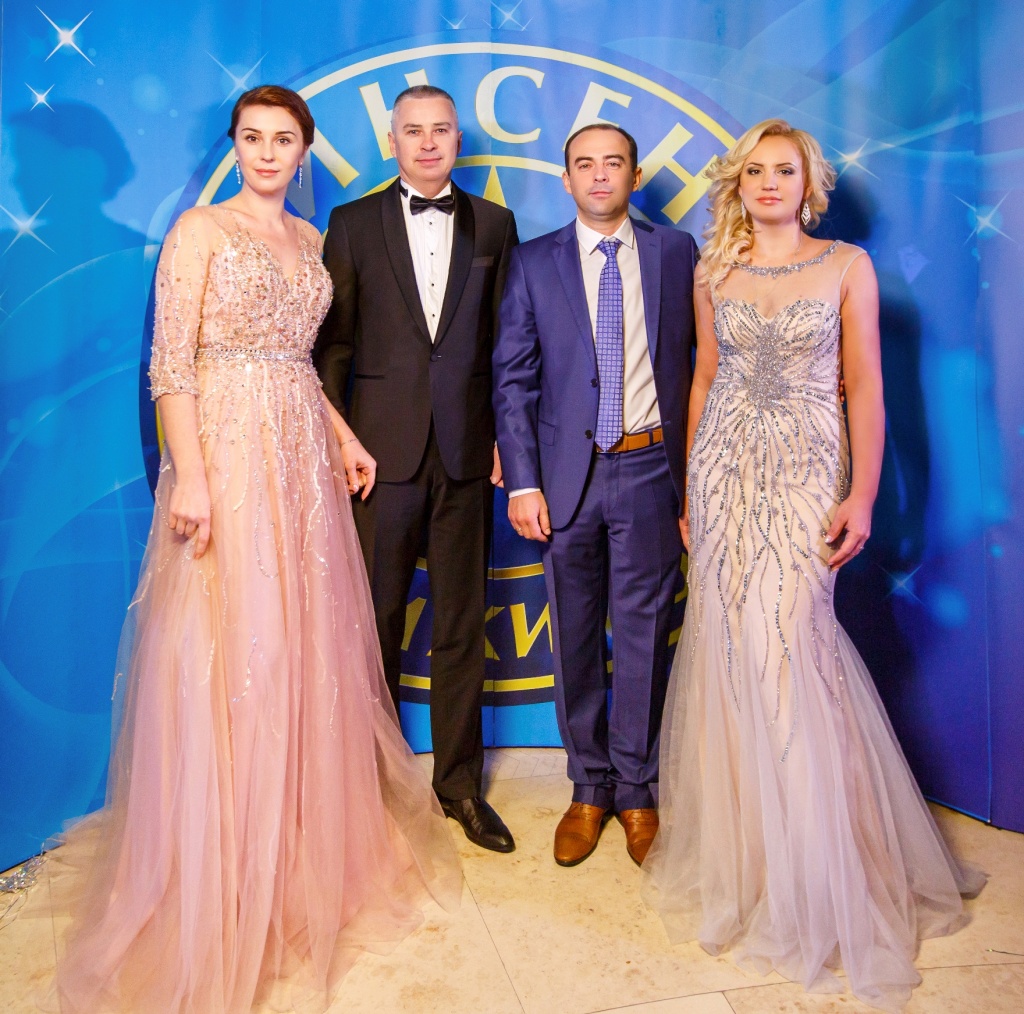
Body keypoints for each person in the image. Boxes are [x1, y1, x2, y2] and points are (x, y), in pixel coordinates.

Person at [51, 86, 461, 1014]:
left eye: (284, 140)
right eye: (252, 137)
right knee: (232, 648)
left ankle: (293, 854)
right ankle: (224, 866)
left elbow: (296, 364)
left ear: (304, 151)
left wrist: (345, 436)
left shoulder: (313, 242)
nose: (268, 153)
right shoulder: (200, 230)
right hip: (228, 459)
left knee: (298, 648)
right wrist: (191, 478)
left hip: (299, 460)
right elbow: (172, 364)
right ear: (234, 146)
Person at [640, 118, 984, 1012]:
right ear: (738, 183)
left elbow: (866, 384)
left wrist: (862, 494)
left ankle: (825, 872)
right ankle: (755, 865)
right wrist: (691, 489)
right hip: (722, 476)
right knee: (730, 657)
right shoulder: (713, 271)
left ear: (808, 184)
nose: (769, 183)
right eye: (755, 170)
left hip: (804, 476)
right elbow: (704, 379)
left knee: (793, 653)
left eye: (784, 170)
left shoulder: (846, 267)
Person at [314, 85, 519, 854]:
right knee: (375, 625)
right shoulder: (351, 223)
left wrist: (504, 437)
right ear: (392, 141)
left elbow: (506, 344)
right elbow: (333, 345)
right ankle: (373, 786)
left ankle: (459, 786)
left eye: (441, 129)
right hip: (380, 458)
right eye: (413, 130)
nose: (427, 142)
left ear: (458, 139)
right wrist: (342, 439)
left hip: (466, 455)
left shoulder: (495, 224)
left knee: (462, 626)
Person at [492, 124, 698, 867]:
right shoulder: (532, 262)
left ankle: (637, 789)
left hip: (649, 468)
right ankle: (589, 786)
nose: (600, 175)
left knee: (644, 632)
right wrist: (523, 480)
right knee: (574, 633)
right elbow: (513, 378)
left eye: (614, 163)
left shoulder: (677, 253)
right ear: (567, 178)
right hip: (563, 478)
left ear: (635, 176)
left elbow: (707, 359)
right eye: (585, 164)